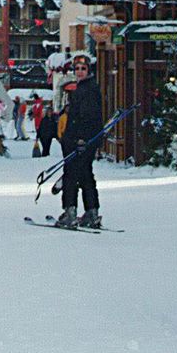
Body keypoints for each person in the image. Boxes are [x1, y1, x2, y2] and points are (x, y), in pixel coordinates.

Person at [56, 54, 103, 229]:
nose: (80, 72)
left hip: (79, 140)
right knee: (85, 175)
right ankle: (91, 211)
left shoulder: (86, 90)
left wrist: (81, 138)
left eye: (83, 69)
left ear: (88, 70)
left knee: (71, 175)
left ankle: (70, 211)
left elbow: (87, 117)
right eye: (77, 69)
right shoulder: (85, 88)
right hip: (84, 140)